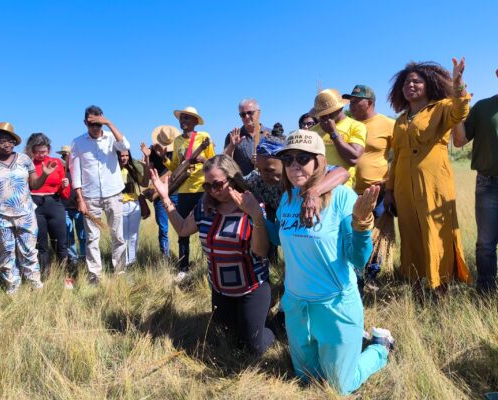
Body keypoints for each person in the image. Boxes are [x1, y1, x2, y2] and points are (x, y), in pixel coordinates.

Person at [270, 129, 393, 395]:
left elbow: (358, 258)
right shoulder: (287, 197)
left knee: (340, 386)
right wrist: (253, 215)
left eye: (302, 158)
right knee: (307, 380)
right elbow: (282, 240)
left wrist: (361, 225)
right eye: (288, 160)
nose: (293, 166)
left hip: (335, 307)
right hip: (297, 308)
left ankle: (380, 348)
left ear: (320, 161)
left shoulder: (341, 198)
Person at [150, 155, 275, 355]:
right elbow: (183, 229)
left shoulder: (251, 204)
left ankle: (272, 326)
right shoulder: (204, 205)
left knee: (253, 348)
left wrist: (256, 216)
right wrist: (165, 198)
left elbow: (260, 251)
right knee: (225, 341)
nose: (212, 191)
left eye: (217, 184)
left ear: (232, 180)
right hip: (221, 290)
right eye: (207, 186)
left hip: (251, 288)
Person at [385, 58, 471, 293]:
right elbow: (396, 157)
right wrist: (390, 190)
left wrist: (458, 81)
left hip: (434, 183)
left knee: (436, 231)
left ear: (428, 84)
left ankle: (440, 285)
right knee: (410, 232)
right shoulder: (401, 120)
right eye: (406, 83)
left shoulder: (441, 107)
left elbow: (461, 108)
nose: (410, 85)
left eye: (416, 81)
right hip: (404, 186)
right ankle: (416, 284)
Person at [0, 122, 57, 294]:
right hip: (0, 216)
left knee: (29, 251)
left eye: (10, 140)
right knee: (6, 253)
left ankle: (35, 285)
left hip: (25, 214)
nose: (7, 144)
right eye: (2, 141)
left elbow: (34, 185)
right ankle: (13, 288)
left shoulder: (24, 160)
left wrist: (45, 175)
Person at [152, 106, 215, 282]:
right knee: (182, 231)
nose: (183, 121)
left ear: (196, 121)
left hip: (203, 189)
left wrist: (201, 159)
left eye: (187, 118)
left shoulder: (204, 138)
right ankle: (183, 267)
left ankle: (210, 265)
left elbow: (214, 163)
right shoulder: (178, 141)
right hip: (184, 191)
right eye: (182, 118)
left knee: (207, 228)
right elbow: (175, 167)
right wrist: (163, 157)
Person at [343, 85, 396, 291]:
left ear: (370, 103)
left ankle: (371, 276)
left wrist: (388, 183)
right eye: (351, 101)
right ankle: (354, 275)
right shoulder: (348, 125)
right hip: (350, 192)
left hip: (379, 192)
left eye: (357, 101)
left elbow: (399, 156)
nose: (352, 105)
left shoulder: (388, 124)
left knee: (377, 235)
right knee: (352, 232)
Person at [70, 105, 130, 282]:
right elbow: (76, 172)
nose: (95, 128)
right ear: (85, 123)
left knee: (118, 235)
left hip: (113, 194)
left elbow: (125, 145)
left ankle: (120, 272)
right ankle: (95, 274)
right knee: (92, 238)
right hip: (90, 197)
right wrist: (80, 199)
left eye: (98, 124)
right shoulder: (77, 142)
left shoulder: (112, 138)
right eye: (91, 124)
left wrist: (109, 123)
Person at [452, 68, 498, 294]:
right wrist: (456, 109)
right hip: (489, 186)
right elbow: (459, 140)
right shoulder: (482, 108)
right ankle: (486, 292)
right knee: (486, 245)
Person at [25, 133, 71, 281]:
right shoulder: (27, 164)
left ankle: (65, 276)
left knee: (61, 242)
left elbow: (64, 193)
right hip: (35, 205)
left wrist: (65, 186)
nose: (41, 154)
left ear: (49, 149)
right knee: (41, 244)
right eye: (37, 151)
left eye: (44, 151)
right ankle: (45, 276)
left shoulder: (57, 162)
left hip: (55, 203)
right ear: (31, 150)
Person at [311, 89, 367, 188]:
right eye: (322, 113)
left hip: (342, 187)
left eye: (329, 111)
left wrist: (333, 133)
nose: (325, 115)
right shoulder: (313, 131)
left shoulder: (356, 126)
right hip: (316, 186)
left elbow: (353, 159)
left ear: (340, 108)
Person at [140, 125, 180, 257]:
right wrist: (146, 158)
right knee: (163, 228)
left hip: (177, 193)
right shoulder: (151, 152)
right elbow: (147, 174)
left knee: (182, 227)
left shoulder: (178, 150)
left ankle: (181, 256)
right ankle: (165, 257)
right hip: (159, 195)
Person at [56, 145, 86, 282]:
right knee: (69, 236)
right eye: (63, 156)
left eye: (68, 155)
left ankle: (84, 257)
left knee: (82, 234)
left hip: (79, 208)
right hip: (64, 208)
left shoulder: (79, 171)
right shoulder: (58, 172)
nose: (65, 158)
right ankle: (73, 260)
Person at [118, 149, 149, 268]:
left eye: (126, 155)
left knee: (133, 236)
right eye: (122, 155)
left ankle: (132, 261)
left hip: (134, 204)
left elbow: (145, 183)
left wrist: (146, 163)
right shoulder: (113, 170)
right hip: (120, 205)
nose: (124, 158)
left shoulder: (132, 169)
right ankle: (124, 262)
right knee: (123, 236)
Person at [224, 98, 272, 176]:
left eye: (250, 113)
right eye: (243, 114)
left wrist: (263, 160)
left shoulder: (272, 134)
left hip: (269, 184)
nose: (246, 116)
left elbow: (281, 160)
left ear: (259, 113)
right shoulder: (233, 136)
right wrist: (231, 146)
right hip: (244, 186)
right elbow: (225, 163)